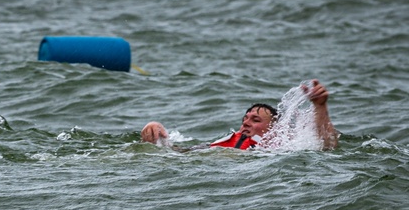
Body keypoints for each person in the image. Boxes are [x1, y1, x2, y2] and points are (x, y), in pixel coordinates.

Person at [141, 80, 338, 150]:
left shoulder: (283, 147)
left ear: (275, 127)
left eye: (255, 120)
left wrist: (321, 107)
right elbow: (178, 153)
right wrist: (155, 132)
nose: (246, 123)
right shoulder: (226, 142)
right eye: (245, 119)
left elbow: (326, 146)